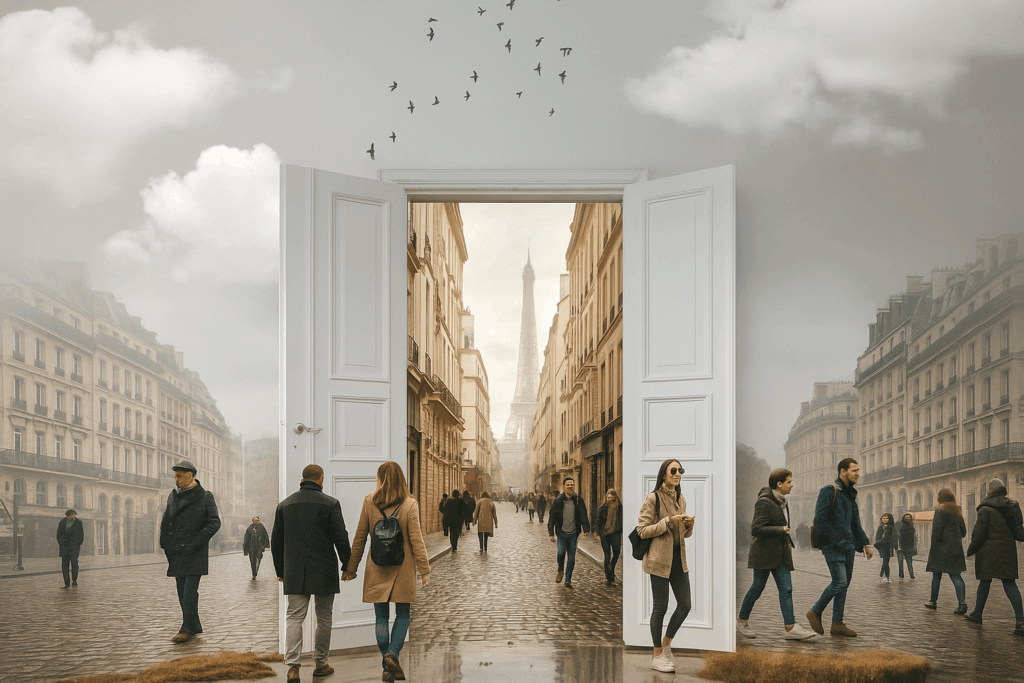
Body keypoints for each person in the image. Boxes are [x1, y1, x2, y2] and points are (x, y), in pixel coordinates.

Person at [344, 461, 430, 683]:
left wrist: (351, 568)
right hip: (403, 567)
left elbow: (360, 537)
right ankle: (392, 655)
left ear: (380, 478)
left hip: (377, 567)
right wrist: (424, 570)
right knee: (403, 614)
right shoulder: (410, 504)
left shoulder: (369, 501)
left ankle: (386, 664)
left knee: (381, 617)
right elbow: (417, 540)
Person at [271, 464, 351, 682]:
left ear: (302, 479)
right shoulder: (331, 504)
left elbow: (276, 542)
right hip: (324, 569)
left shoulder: (284, 505)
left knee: (294, 617)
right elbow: (340, 537)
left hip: (295, 570)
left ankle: (293, 667)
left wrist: (280, 570)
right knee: (324, 617)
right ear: (321, 479)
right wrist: (348, 565)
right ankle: (321, 664)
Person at [736, 469, 817, 641]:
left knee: (786, 589)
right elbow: (756, 528)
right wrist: (780, 529)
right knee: (757, 588)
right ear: (779, 484)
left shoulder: (781, 501)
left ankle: (791, 627)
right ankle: (741, 620)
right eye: (789, 482)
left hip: (780, 554)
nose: (792, 485)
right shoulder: (765, 502)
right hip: (764, 554)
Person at [638, 459, 695, 673]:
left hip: (678, 561)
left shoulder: (681, 499)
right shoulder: (653, 498)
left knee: (685, 605)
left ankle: (666, 645)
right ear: (664, 474)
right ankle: (656, 655)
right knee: (660, 608)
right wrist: (666, 522)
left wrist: (689, 526)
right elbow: (642, 530)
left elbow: (683, 535)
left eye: (680, 470)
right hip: (659, 561)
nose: (677, 473)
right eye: (673, 470)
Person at [806, 458, 872, 638]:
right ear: (843, 471)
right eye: (854, 470)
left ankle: (837, 624)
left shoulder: (850, 495)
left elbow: (855, 523)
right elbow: (820, 520)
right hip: (833, 546)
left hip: (848, 547)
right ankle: (815, 611)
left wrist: (865, 543)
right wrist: (837, 540)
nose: (858, 474)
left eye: (858, 470)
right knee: (840, 582)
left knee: (844, 585)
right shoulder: (829, 490)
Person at [159, 459, 221, 644]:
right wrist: (165, 544)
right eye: (175, 476)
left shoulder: (205, 496)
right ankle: (194, 625)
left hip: (195, 553)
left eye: (179, 476)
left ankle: (186, 628)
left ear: (189, 476)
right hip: (176, 553)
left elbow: (214, 522)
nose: (176, 480)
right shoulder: (173, 496)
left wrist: (196, 542)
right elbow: (166, 521)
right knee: (181, 592)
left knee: (189, 593)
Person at [965, 478, 1024, 636]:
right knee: (1010, 584)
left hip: (988, 551)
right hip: (1007, 550)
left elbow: (978, 533)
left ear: (989, 492)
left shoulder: (985, 509)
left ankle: (977, 614)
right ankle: (1021, 621)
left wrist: (971, 549)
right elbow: (1020, 534)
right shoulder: (1012, 506)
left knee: (985, 582)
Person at [924, 488, 967, 614]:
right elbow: (963, 532)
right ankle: (962, 603)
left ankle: (933, 601)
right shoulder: (957, 511)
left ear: (940, 498)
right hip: (955, 549)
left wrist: (933, 546)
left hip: (940, 548)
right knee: (956, 575)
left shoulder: (940, 510)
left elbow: (936, 530)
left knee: (936, 575)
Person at [547, 476, 590, 589]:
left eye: (571, 485)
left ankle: (568, 579)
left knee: (571, 558)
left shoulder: (578, 500)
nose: (570, 487)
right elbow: (552, 517)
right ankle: (560, 569)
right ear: (564, 486)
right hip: (561, 533)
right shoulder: (558, 500)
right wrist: (551, 533)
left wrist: (586, 528)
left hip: (573, 534)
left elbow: (583, 514)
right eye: (567, 485)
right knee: (561, 553)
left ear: (574, 486)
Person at [594, 488, 623, 586]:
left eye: (611, 498)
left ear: (615, 497)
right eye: (608, 498)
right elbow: (598, 522)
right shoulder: (602, 508)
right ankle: (608, 577)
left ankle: (611, 569)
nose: (609, 499)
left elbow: (622, 520)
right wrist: (598, 533)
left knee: (617, 552)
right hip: (605, 534)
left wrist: (620, 529)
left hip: (615, 533)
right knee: (607, 555)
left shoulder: (619, 508)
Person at [55, 509, 84, 589]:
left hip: (74, 547)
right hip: (64, 547)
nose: (74, 516)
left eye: (74, 515)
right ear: (68, 516)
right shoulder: (62, 522)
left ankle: (74, 580)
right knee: (65, 565)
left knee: (74, 564)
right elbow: (58, 534)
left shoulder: (78, 522)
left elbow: (81, 534)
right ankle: (66, 583)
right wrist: (61, 543)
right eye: (72, 515)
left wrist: (78, 544)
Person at [874, 513, 896, 583]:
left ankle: (883, 576)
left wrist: (895, 547)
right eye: (884, 518)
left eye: (887, 518)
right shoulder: (880, 527)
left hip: (888, 547)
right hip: (881, 546)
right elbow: (877, 536)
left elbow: (894, 538)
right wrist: (878, 543)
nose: (885, 520)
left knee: (885, 562)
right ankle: (886, 577)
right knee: (885, 562)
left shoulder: (892, 528)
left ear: (890, 519)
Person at [895, 512, 917, 579]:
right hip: (900, 547)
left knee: (909, 562)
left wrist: (914, 546)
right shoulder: (899, 525)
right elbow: (896, 536)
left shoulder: (911, 526)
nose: (908, 519)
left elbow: (914, 537)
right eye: (906, 518)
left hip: (909, 547)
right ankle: (901, 575)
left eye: (909, 518)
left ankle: (911, 574)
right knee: (900, 563)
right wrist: (896, 546)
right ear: (903, 518)